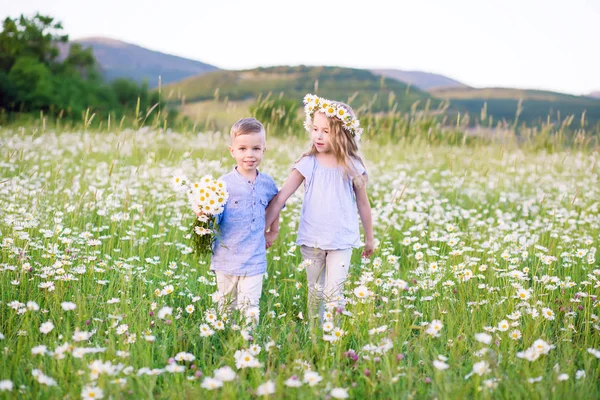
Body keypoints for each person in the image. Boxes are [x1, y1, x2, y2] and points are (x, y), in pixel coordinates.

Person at [265, 94, 374, 320]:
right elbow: (281, 197)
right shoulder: (308, 163)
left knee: (335, 293)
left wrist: (369, 237)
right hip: (312, 239)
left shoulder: (352, 166)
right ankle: (315, 334)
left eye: (326, 131)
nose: (319, 136)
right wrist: (265, 227)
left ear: (342, 133)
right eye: (315, 129)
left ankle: (332, 338)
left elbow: (363, 203)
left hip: (341, 239)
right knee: (314, 292)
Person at [208, 117, 279, 325]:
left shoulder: (267, 183)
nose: (250, 154)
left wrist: (273, 231)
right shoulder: (224, 184)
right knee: (226, 306)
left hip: (254, 258)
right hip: (226, 258)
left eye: (256, 148)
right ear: (232, 151)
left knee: (250, 307)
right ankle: (223, 339)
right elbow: (215, 215)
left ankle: (248, 341)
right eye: (243, 149)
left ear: (264, 150)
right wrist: (204, 213)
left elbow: (274, 205)